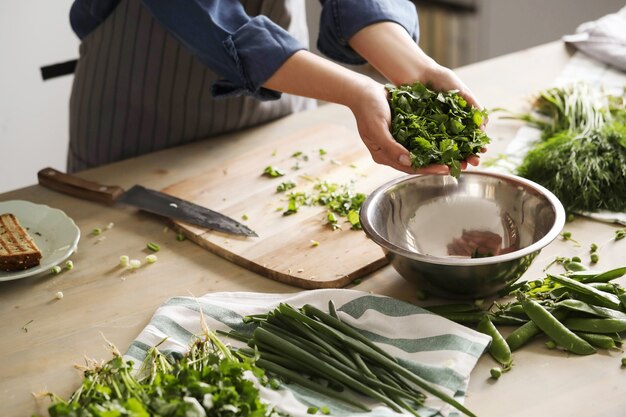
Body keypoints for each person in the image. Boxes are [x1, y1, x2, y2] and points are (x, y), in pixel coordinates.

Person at [67, 0, 484, 174]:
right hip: (142, 118)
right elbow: (206, 15)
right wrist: (359, 91)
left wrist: (415, 69)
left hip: (285, 98)